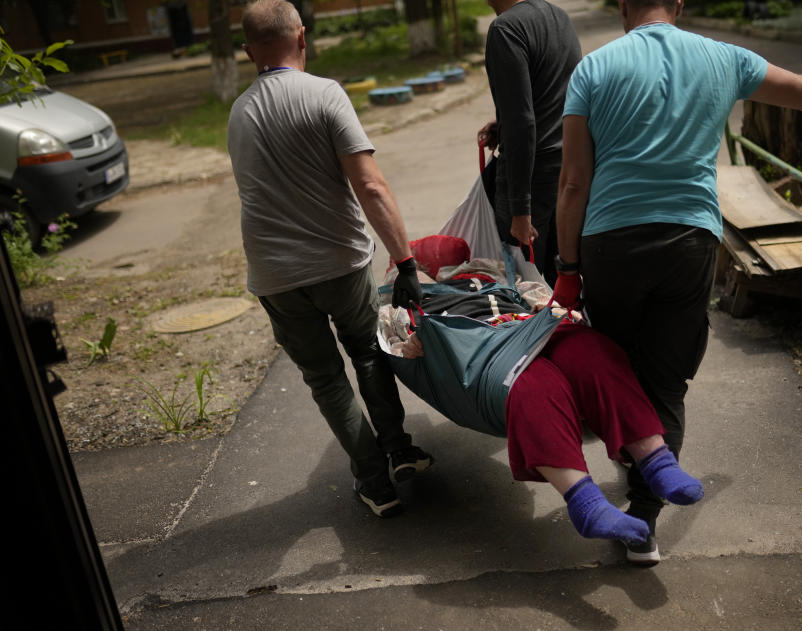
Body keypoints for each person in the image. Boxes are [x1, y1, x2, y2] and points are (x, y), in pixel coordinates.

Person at [551, 0, 802, 565]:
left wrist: (568, 270)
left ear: (622, 7)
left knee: (617, 365)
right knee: (666, 376)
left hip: (610, 241)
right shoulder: (725, 58)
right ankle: (643, 520)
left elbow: (572, 183)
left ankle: (634, 460)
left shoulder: (593, 68)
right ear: (680, 5)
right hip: (688, 241)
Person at [227, 0, 434, 519]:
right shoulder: (324, 94)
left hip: (274, 275)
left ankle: (374, 483)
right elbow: (369, 184)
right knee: (369, 354)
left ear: (249, 51)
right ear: (302, 36)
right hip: (339, 262)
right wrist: (405, 262)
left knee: (324, 380)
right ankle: (400, 452)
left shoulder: (238, 112)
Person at [399, 315, 704, 548]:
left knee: (592, 352)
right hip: (482, 347)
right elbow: (396, 333)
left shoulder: (502, 275)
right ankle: (585, 503)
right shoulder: (426, 301)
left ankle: (658, 462)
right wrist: (414, 338)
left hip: (535, 325)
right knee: (530, 382)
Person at [478, 0, 582, 288]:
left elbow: (522, 122)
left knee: (524, 290)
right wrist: (504, 127)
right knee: (559, 280)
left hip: (529, 178)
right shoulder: (559, 17)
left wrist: (520, 212)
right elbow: (560, 94)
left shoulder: (505, 29)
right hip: (568, 169)